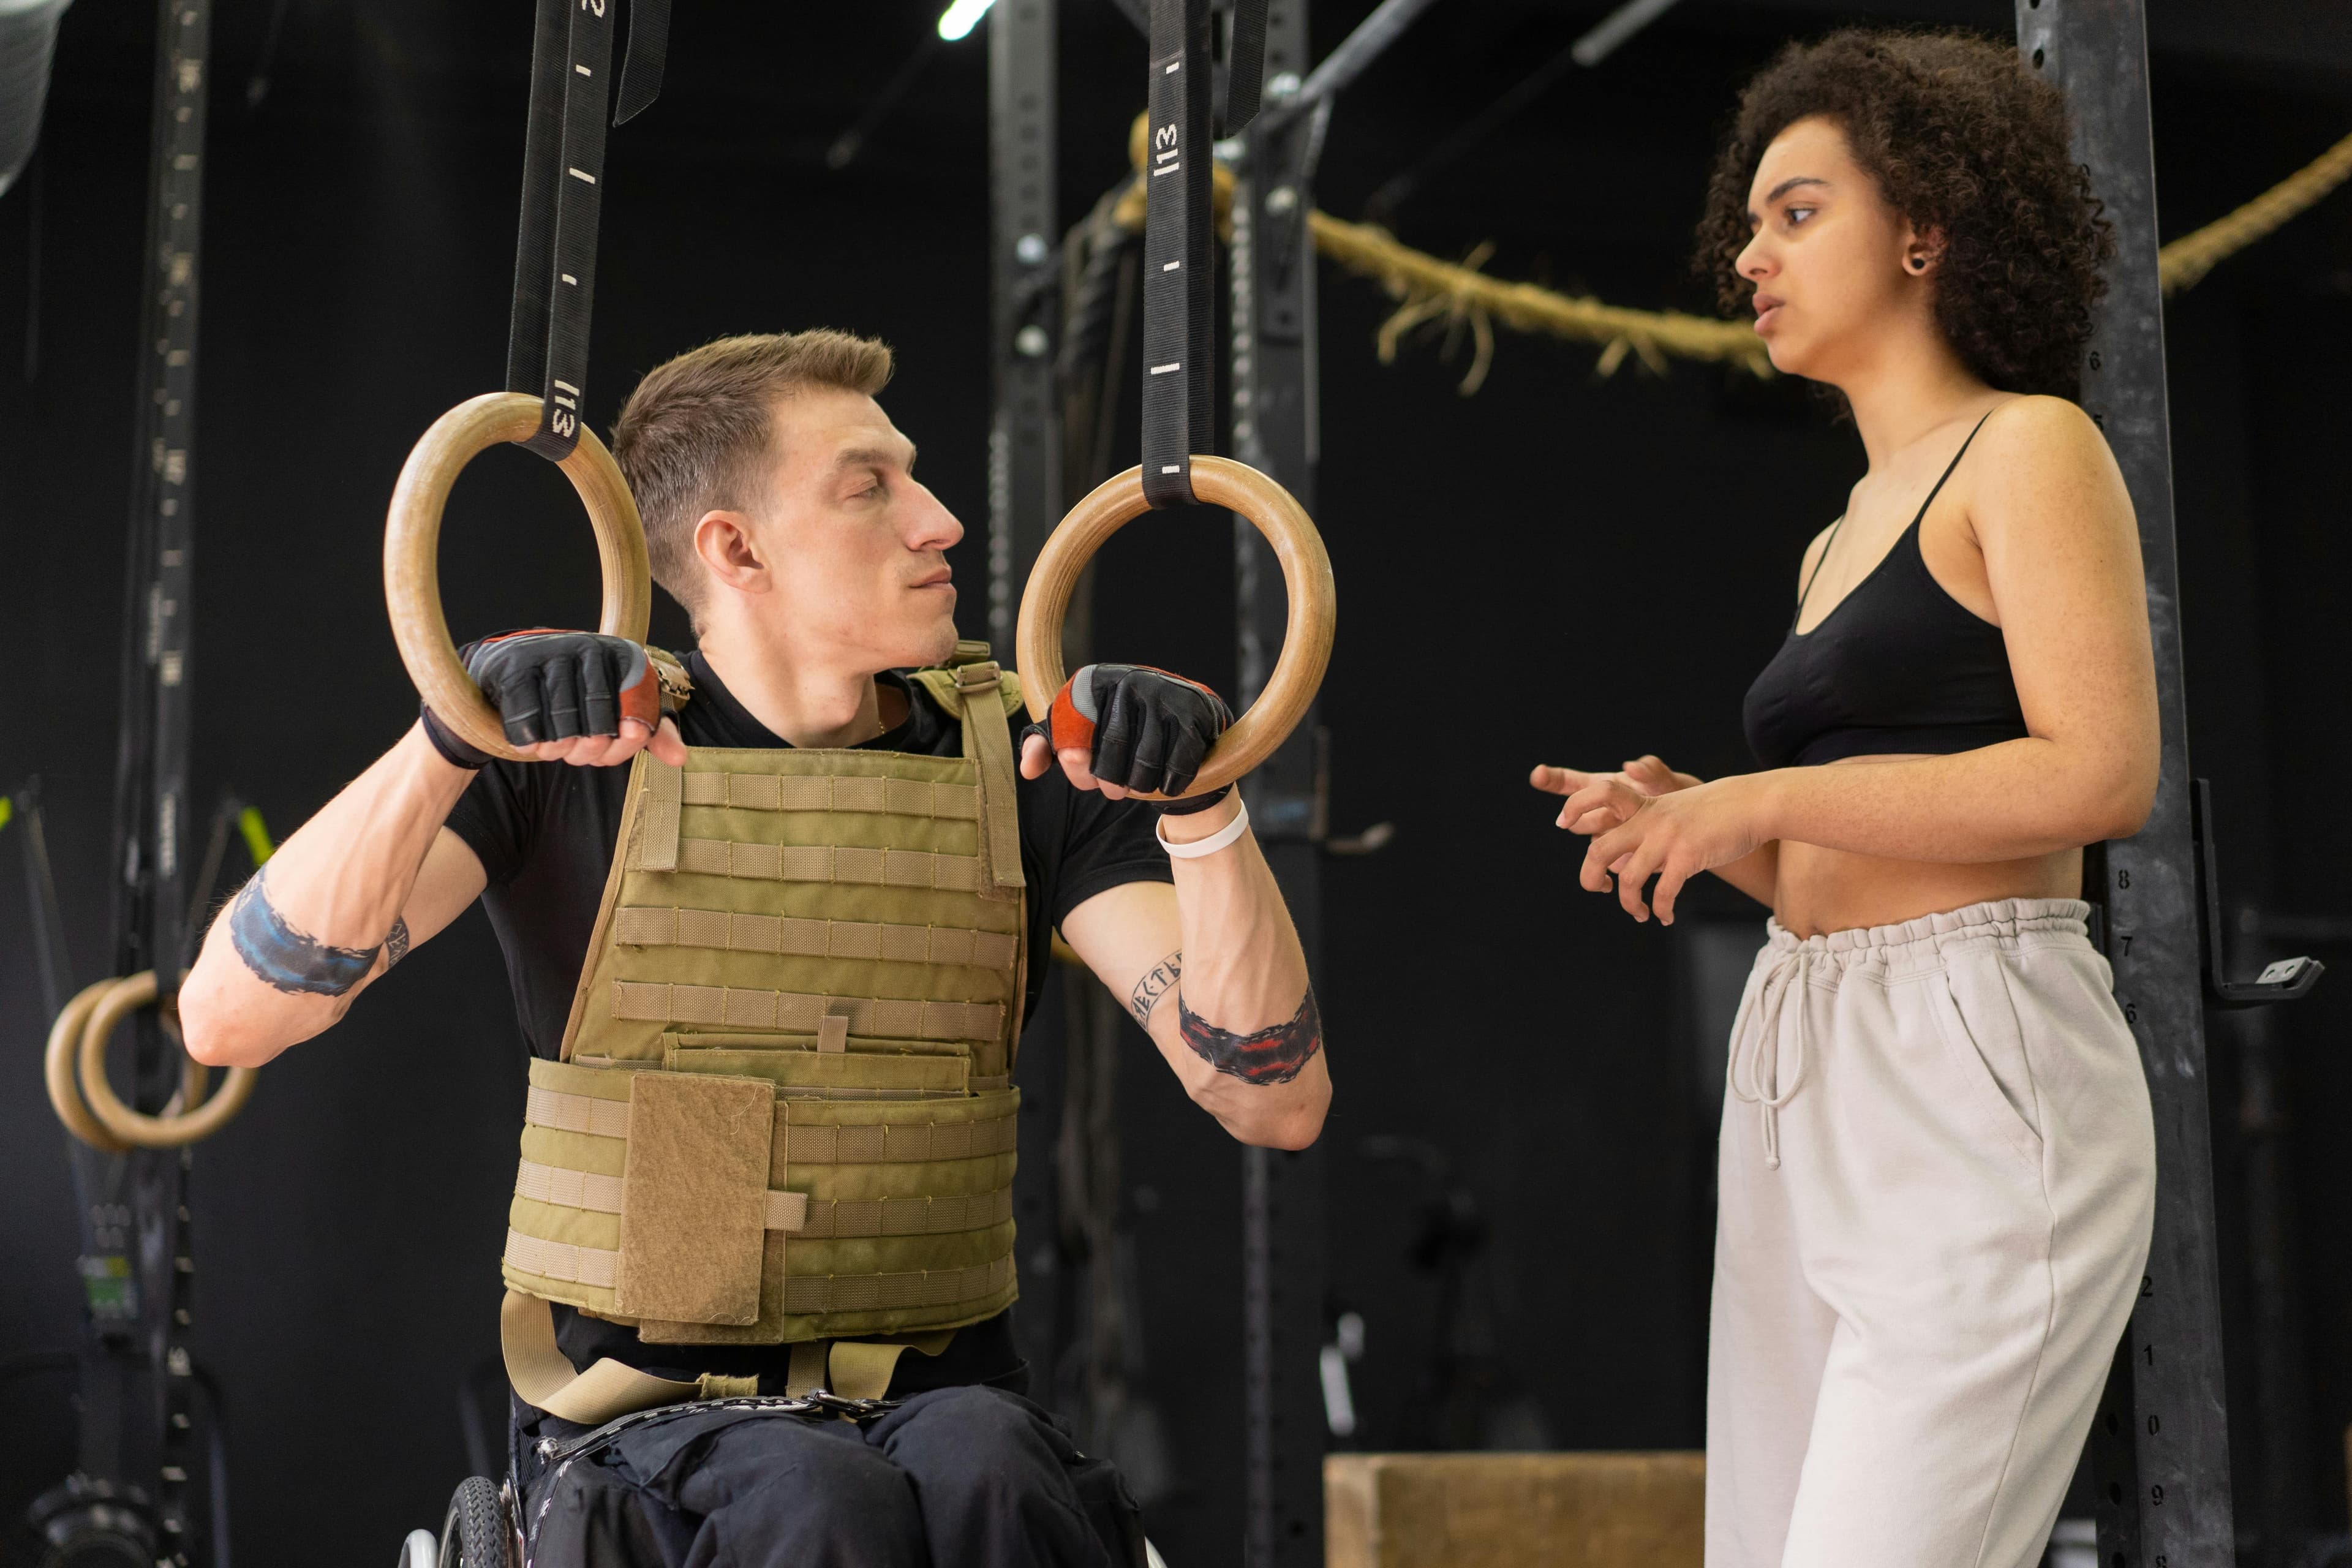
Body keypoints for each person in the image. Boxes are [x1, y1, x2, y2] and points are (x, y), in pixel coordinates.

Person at [179, 330, 1330, 1566]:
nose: (940, 521)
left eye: (916, 477)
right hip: (641, 1427)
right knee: (809, 1494)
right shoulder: (574, 765)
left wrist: (1206, 806)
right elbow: (228, 1017)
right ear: (735, 547)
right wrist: (448, 737)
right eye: (869, 486)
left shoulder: (1028, 763)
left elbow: (1273, 1098)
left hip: (952, 1409)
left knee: (988, 1466)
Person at [1530, 31, 2157, 1568]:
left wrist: (1752, 800)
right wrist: (1718, 824)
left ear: (1926, 224)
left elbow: (2098, 775)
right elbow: (1858, 855)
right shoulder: (1839, 537)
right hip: (1810, 1047)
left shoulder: (2030, 449)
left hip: (1973, 1052)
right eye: (1749, 224)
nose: (1750, 253)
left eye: (1797, 212)